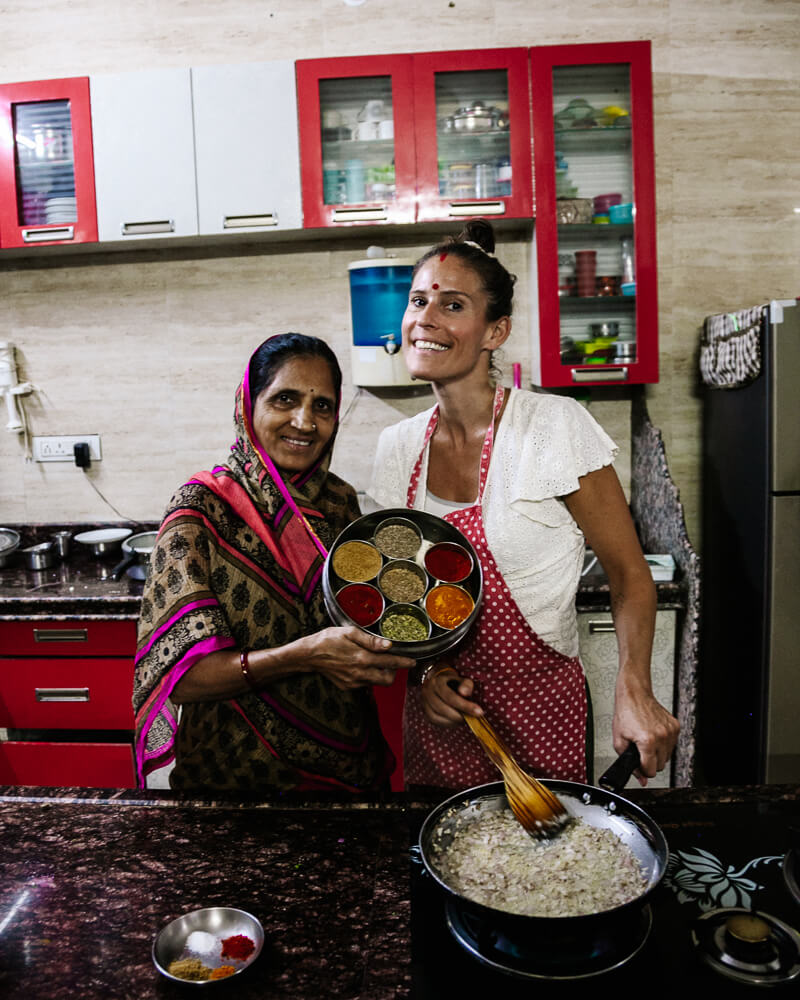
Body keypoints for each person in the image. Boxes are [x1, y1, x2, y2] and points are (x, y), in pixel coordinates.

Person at [369, 219, 679, 789]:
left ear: (495, 331)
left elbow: (630, 575)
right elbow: (402, 595)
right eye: (418, 300)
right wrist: (430, 672)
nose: (426, 318)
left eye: (453, 305)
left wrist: (634, 687)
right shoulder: (397, 448)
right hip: (443, 721)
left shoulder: (553, 426)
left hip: (542, 712)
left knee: (548, 868)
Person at [134, 333, 414, 792]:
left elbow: (376, 613)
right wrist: (302, 657)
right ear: (250, 402)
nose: (304, 422)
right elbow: (179, 679)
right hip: (234, 778)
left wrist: (429, 665)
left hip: (347, 772)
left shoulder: (339, 503)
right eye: (285, 398)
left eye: (322, 406)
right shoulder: (201, 511)